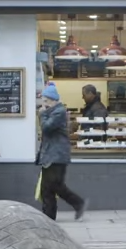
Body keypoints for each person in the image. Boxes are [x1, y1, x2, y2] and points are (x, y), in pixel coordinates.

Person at [37, 82, 87, 221]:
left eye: (45, 101)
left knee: (54, 186)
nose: (44, 104)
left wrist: (42, 114)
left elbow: (47, 127)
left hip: (56, 155)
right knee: (48, 188)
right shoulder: (54, 111)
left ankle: (77, 203)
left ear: (52, 100)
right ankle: (49, 216)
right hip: (51, 155)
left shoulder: (58, 112)